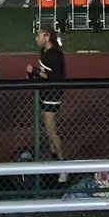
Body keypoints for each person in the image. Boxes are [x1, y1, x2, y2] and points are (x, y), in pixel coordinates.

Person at [27, 26, 68, 181]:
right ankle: (54, 161)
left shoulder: (55, 55)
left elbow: (52, 77)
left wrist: (35, 70)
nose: (36, 38)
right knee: (48, 130)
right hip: (45, 95)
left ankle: (63, 167)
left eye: (39, 35)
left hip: (52, 95)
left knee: (51, 132)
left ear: (47, 36)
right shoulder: (45, 51)